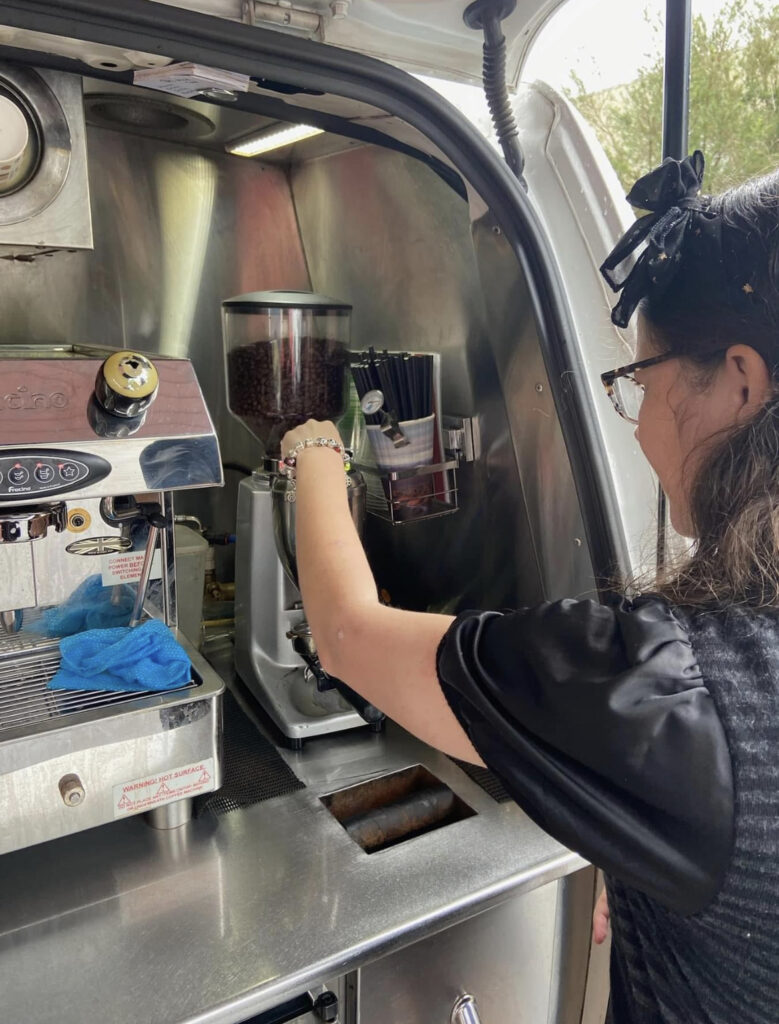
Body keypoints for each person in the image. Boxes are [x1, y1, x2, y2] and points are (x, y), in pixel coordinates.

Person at [280, 152, 779, 1024]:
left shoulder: (660, 693)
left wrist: (310, 451)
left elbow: (346, 634)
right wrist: (653, 874)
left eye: (640, 382)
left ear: (739, 382)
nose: (637, 426)